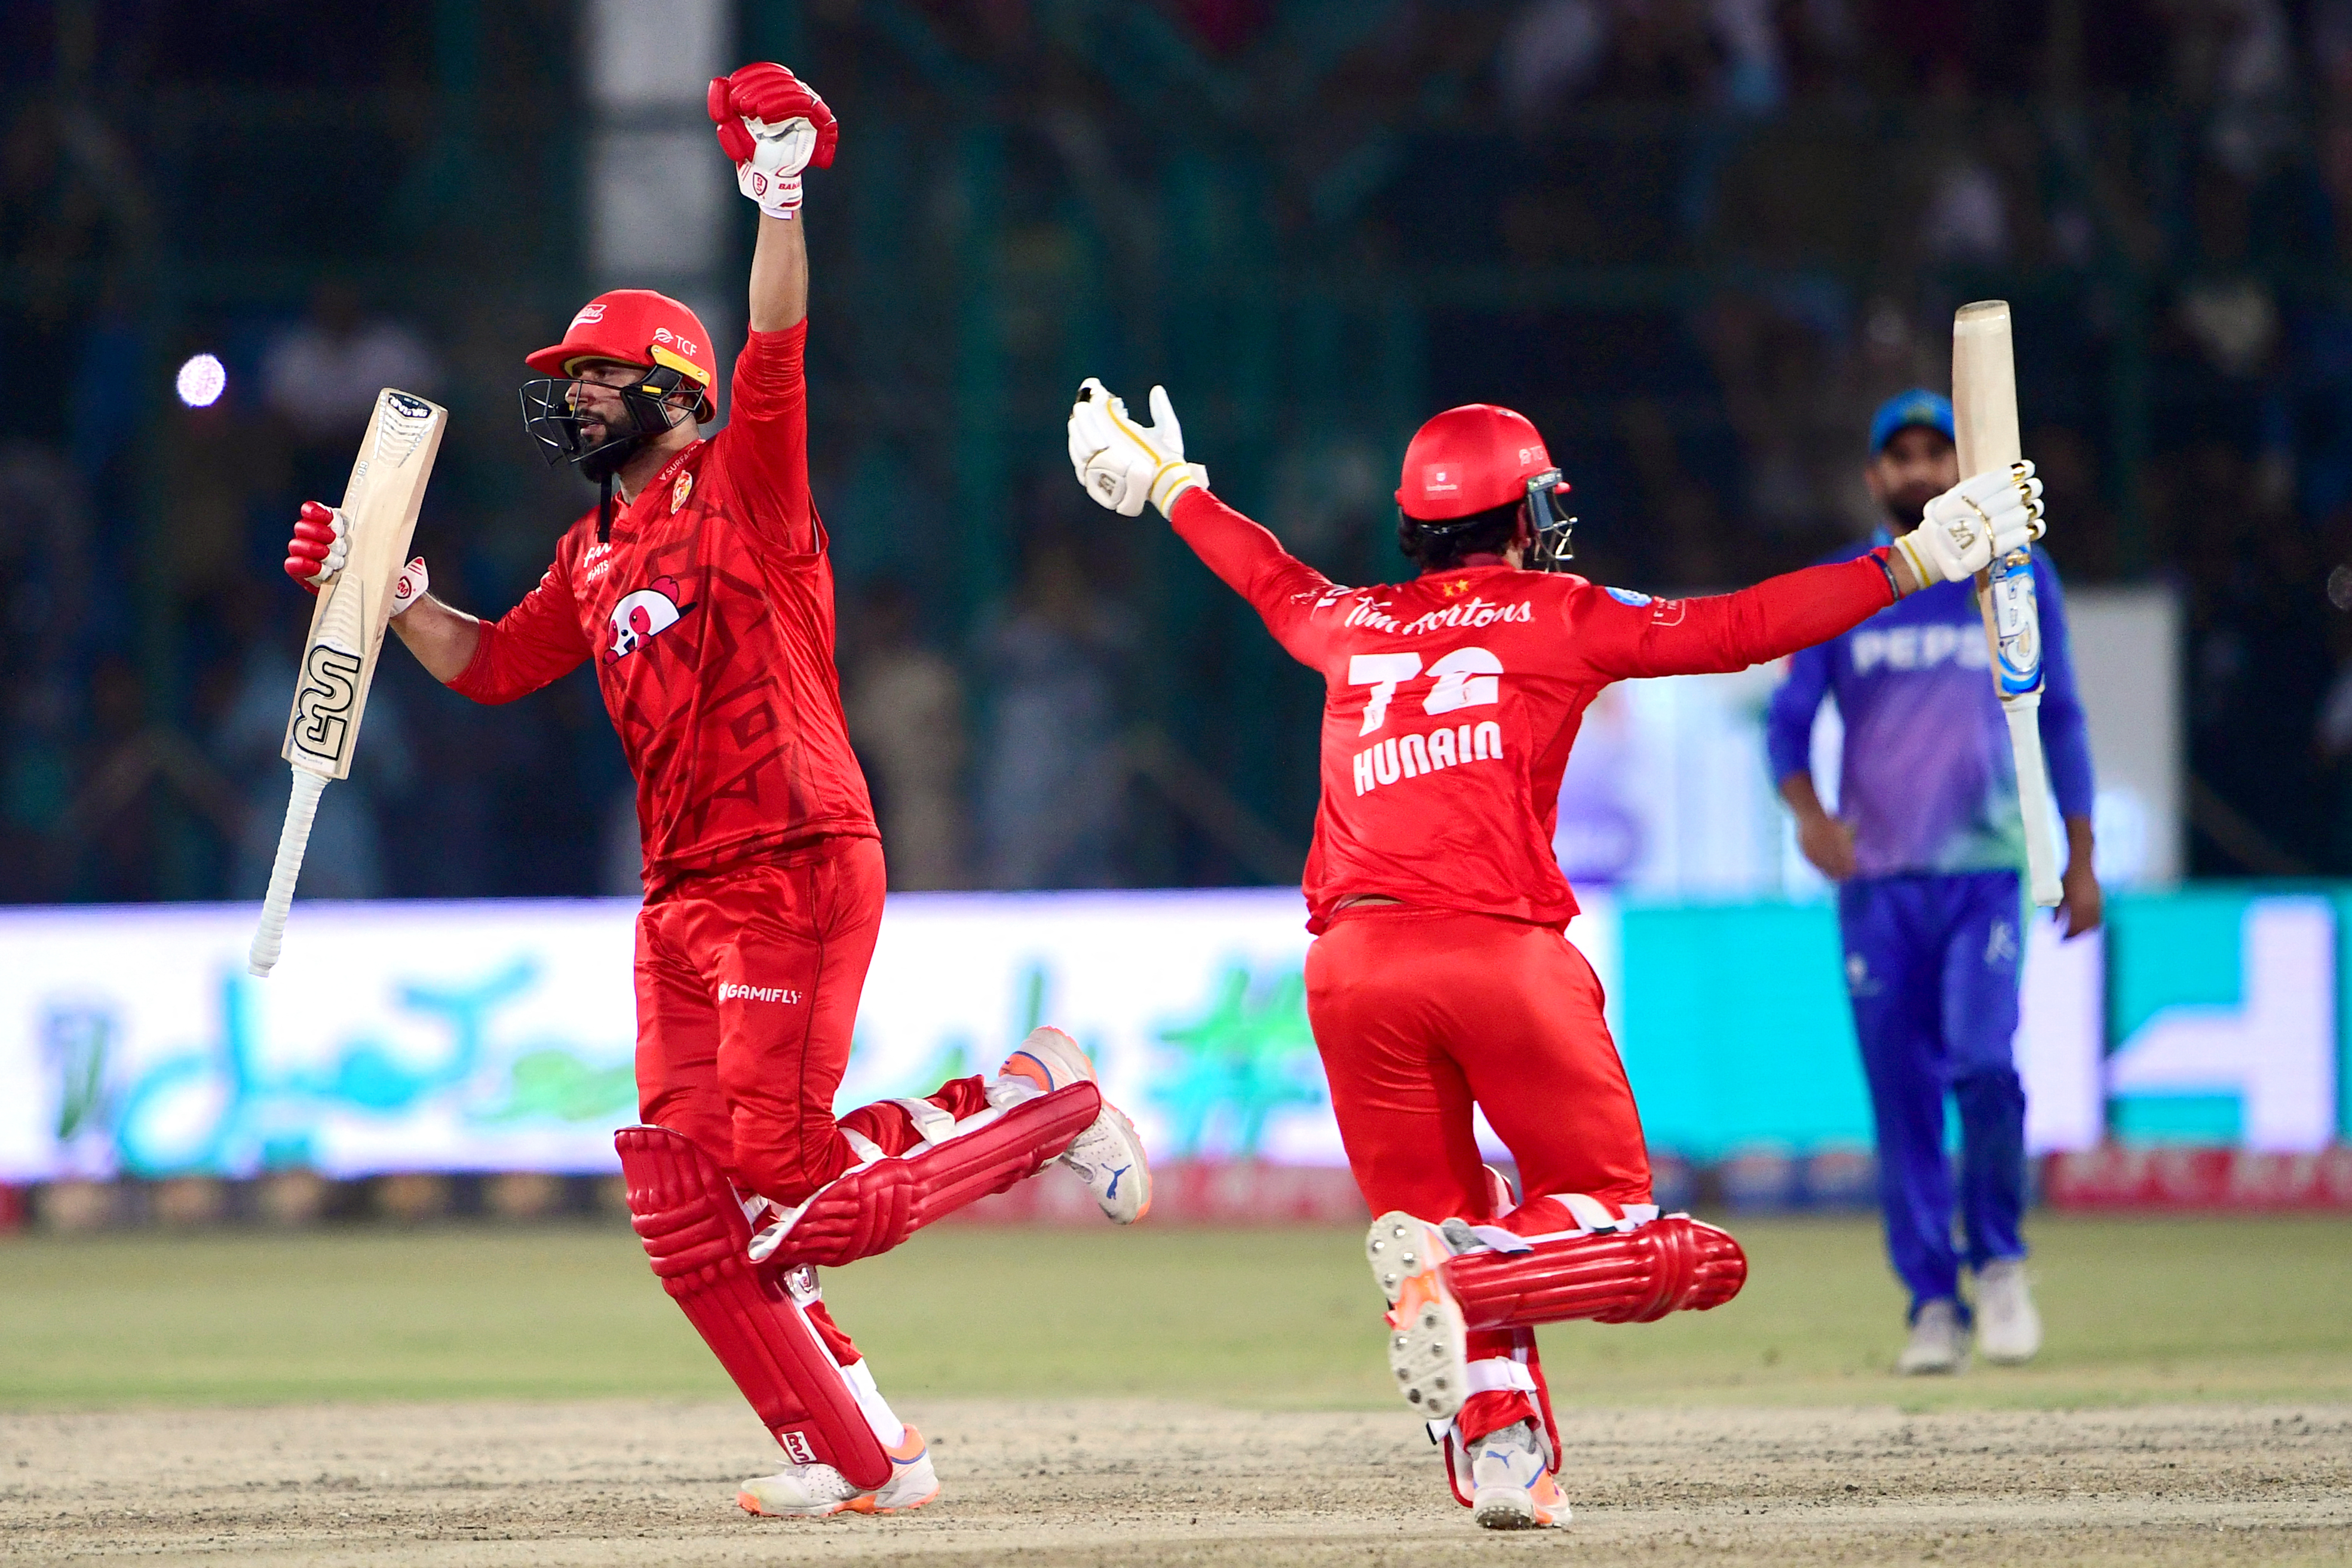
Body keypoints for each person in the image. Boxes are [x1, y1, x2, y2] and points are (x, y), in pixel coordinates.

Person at [277, 62, 1150, 1521]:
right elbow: (490, 669)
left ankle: (1036, 1102)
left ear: (672, 394)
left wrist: (780, 186)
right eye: (564, 382)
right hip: (680, 895)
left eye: (597, 377)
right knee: (690, 1210)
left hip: (798, 856)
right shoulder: (591, 554)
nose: (572, 398)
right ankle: (862, 1453)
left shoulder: (747, 478)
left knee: (792, 1181)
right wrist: (386, 595)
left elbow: (779, 341)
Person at [1066, 379, 2046, 1530]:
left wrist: (1171, 488)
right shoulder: (1558, 611)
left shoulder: (1353, 623)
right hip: (1494, 952)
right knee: (1628, 1223)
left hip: (1346, 970)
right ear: (1522, 515)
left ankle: (1503, 1460)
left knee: (1437, 1223)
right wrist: (1915, 562)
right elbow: (1736, 629)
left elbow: (1269, 576)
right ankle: (1463, 1270)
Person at [1765, 389, 2100, 1376]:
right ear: (1873, 477)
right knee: (1901, 1095)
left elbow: (2064, 717)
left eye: (1933, 452)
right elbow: (1787, 723)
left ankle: (1997, 1262)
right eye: (1898, 455)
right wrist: (1809, 819)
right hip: (1877, 885)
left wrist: (2078, 856)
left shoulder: (2013, 572)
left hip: (1985, 872)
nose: (1916, 469)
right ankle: (1930, 1302)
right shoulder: (1845, 584)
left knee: (1984, 1065)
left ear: (1961, 465)